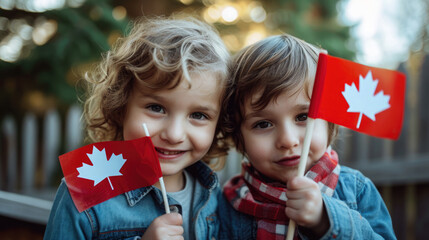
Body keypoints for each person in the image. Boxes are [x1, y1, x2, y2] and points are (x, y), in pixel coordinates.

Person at [44, 15, 230, 240]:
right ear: (121, 105)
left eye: (198, 115)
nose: (174, 134)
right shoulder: (82, 190)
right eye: (156, 108)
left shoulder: (214, 193)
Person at [218, 34, 396, 239]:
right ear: (238, 134)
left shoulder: (356, 190)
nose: (288, 140)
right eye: (263, 124)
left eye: (303, 116)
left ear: (328, 122)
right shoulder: (228, 202)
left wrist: (325, 220)